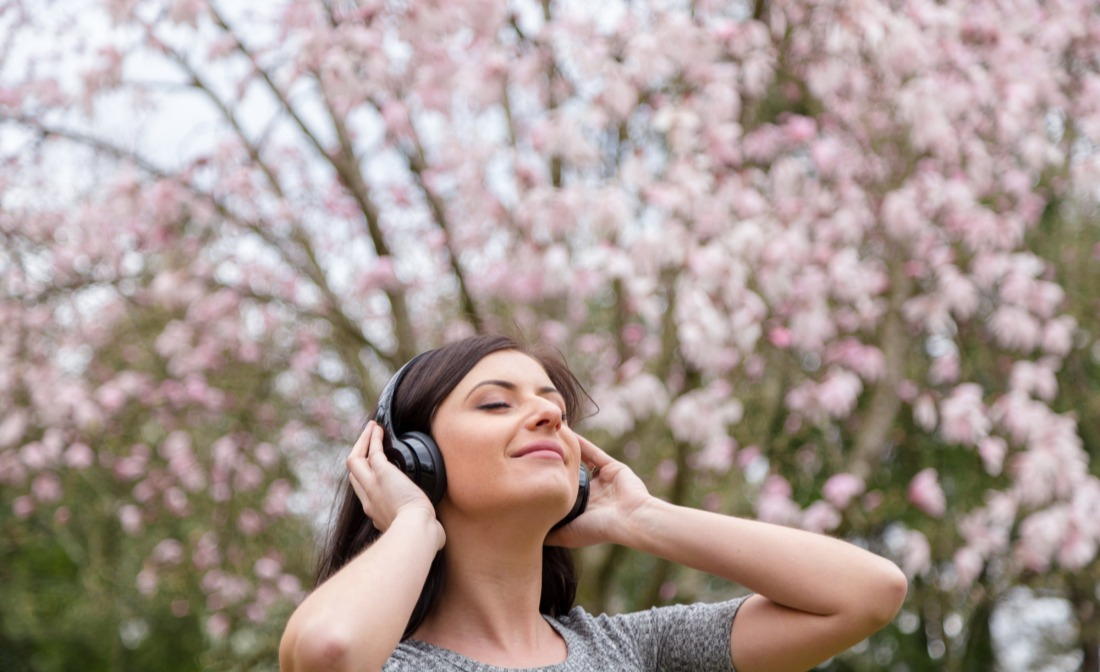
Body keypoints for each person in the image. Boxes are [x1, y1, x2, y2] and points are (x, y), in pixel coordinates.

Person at [279, 334, 908, 672]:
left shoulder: (635, 651)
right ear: (415, 458)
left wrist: (641, 519)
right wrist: (415, 520)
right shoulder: (389, 663)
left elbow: (868, 593)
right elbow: (329, 649)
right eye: (497, 403)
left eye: (552, 403)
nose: (549, 414)